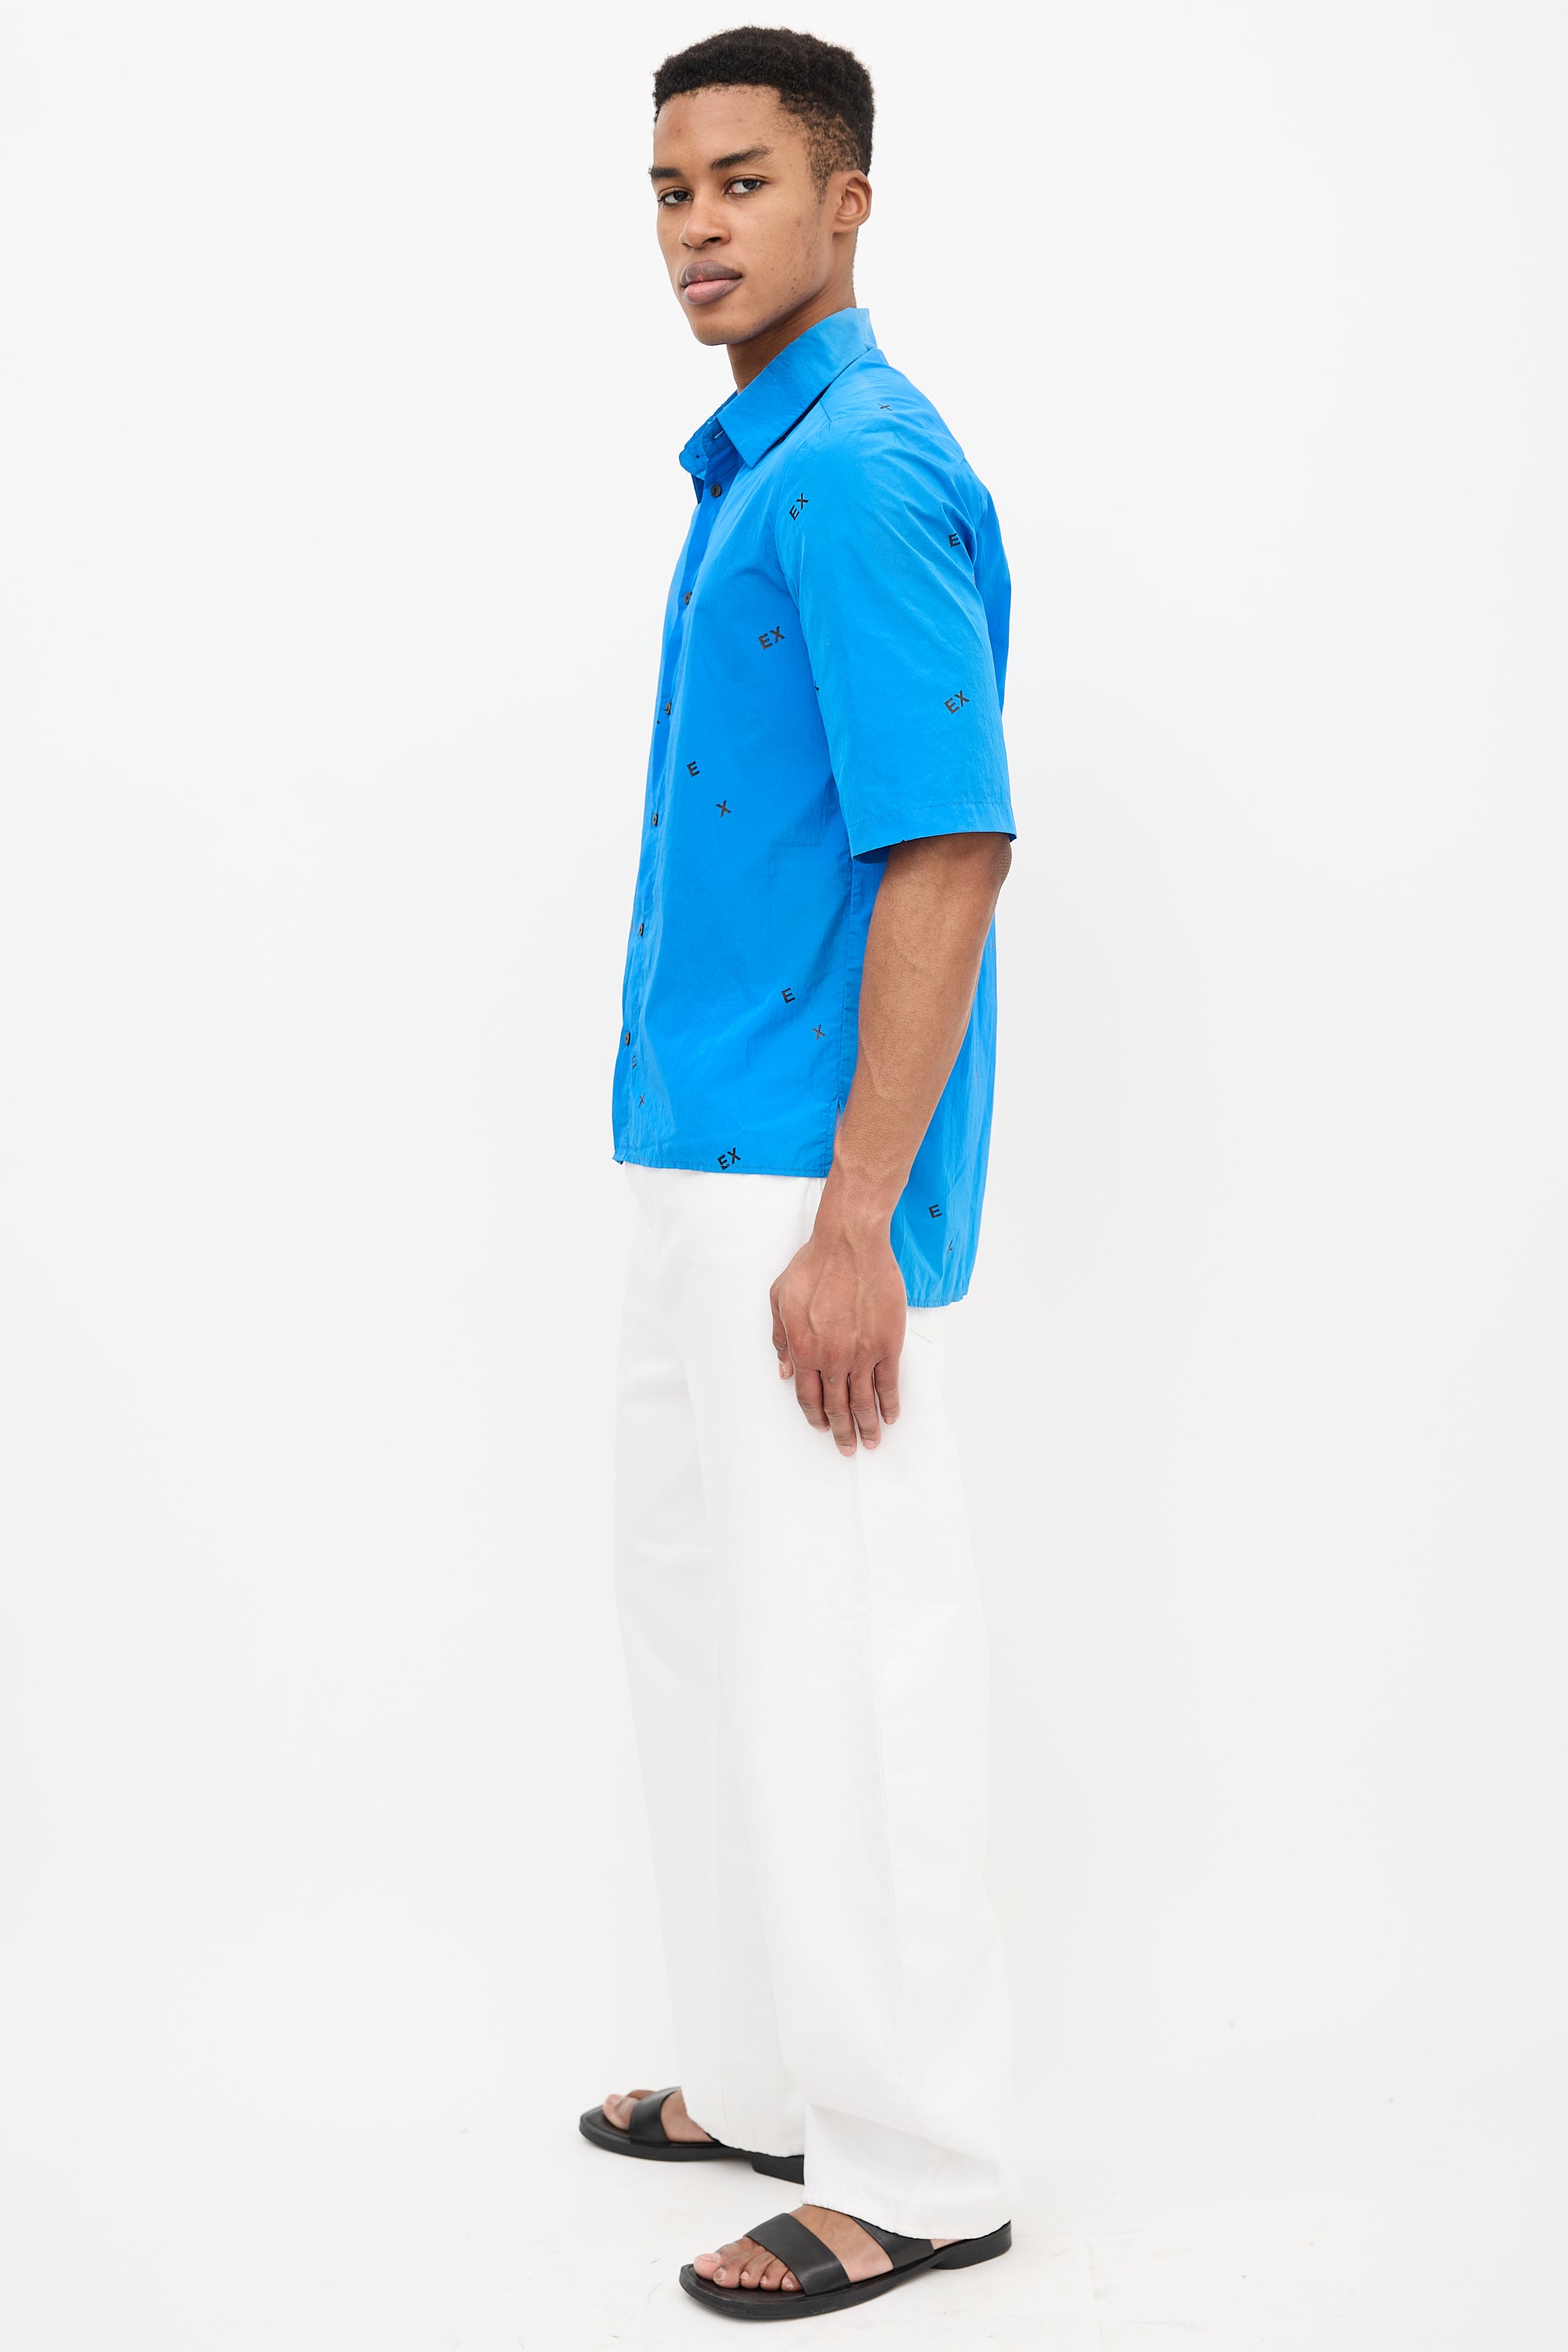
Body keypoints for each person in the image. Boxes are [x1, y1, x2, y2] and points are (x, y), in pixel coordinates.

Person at [576, 26, 1018, 2321]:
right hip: (697, 1154)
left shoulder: (856, 474)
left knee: (847, 1649)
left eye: (743, 182)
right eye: (671, 190)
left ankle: (918, 2165)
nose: (699, 228)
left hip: (802, 1182)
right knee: (702, 1628)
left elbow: (947, 849)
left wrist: (857, 1215)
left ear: (848, 202)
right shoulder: (752, 472)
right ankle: (762, 2078)